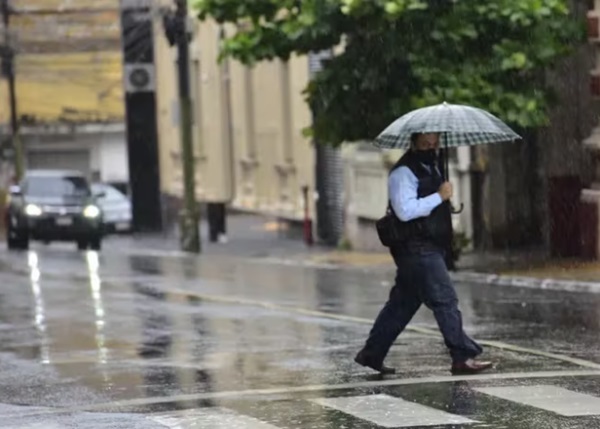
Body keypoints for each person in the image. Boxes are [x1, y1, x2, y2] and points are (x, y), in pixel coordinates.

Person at [354, 132, 493, 375]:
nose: (432, 147)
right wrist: (439, 196)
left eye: (435, 143)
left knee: (401, 305)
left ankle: (372, 353)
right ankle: (461, 356)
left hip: (429, 246)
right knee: (445, 300)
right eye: (426, 143)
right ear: (414, 142)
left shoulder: (432, 167)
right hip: (415, 248)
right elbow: (405, 210)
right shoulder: (403, 173)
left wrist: (443, 199)